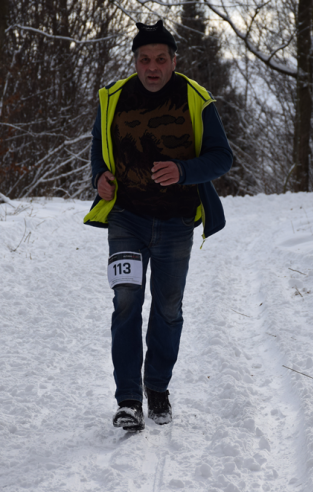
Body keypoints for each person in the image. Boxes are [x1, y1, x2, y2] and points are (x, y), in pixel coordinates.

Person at [84, 20, 233, 431]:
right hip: (125, 219)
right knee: (126, 302)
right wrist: (99, 176)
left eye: (160, 59)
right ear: (135, 61)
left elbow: (223, 157)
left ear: (174, 61)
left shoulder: (196, 99)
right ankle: (129, 399)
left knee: (168, 310)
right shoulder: (113, 98)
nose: (152, 67)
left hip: (175, 223)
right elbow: (98, 149)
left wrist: (184, 171)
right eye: (144, 59)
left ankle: (158, 389)